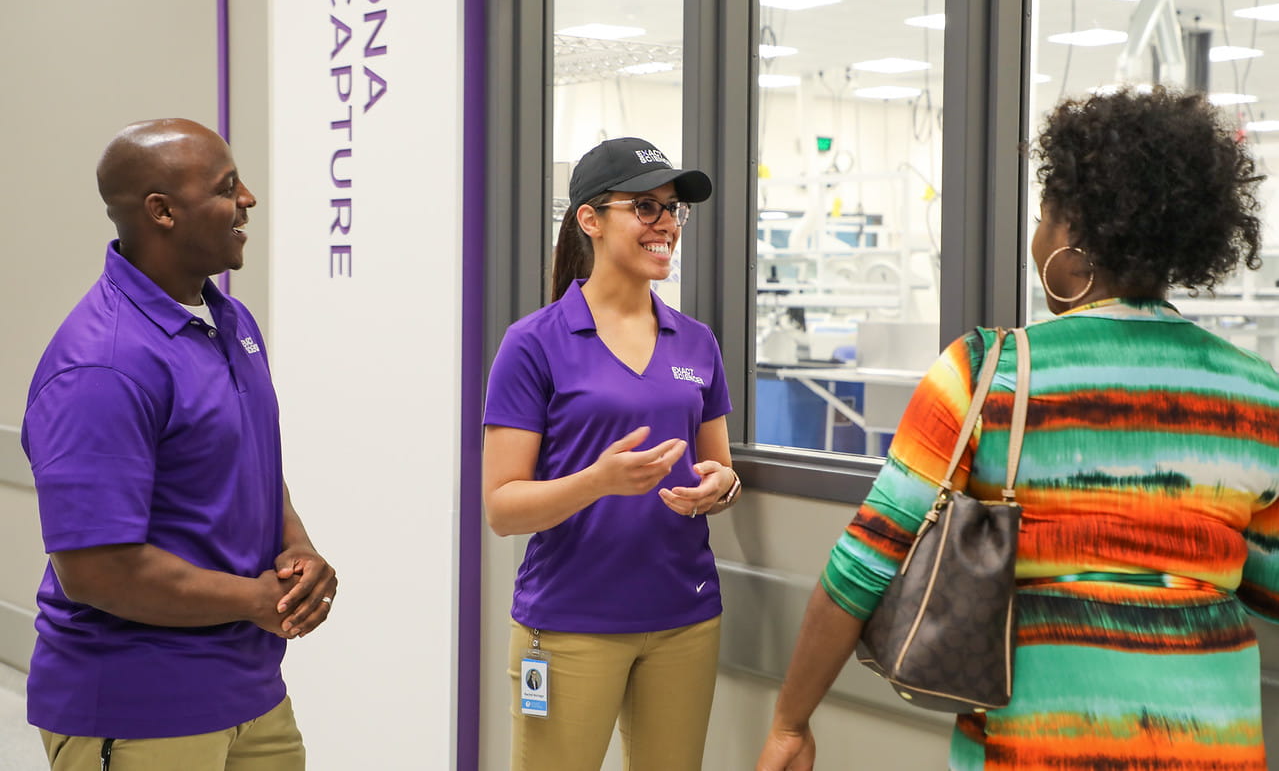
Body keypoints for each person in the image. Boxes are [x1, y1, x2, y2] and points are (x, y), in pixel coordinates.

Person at [756, 87, 1279, 771]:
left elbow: (863, 562)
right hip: (1209, 746)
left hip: (1028, 748)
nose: (1035, 236)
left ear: (1071, 236)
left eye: (1041, 216)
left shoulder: (987, 371)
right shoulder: (1254, 391)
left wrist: (790, 721)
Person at [21, 118, 337, 770]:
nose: (248, 198)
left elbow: (248, 460)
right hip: (140, 707)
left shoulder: (230, 321)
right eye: (227, 187)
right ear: (161, 211)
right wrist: (257, 600)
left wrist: (295, 544)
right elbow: (97, 571)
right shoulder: (102, 365)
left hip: (251, 693)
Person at [482, 136, 743, 771]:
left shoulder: (697, 343)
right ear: (590, 220)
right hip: (572, 622)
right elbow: (503, 508)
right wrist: (597, 481)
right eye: (646, 208)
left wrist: (721, 486)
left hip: (684, 616)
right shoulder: (534, 344)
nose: (666, 226)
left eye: (673, 209)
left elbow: (721, 466)